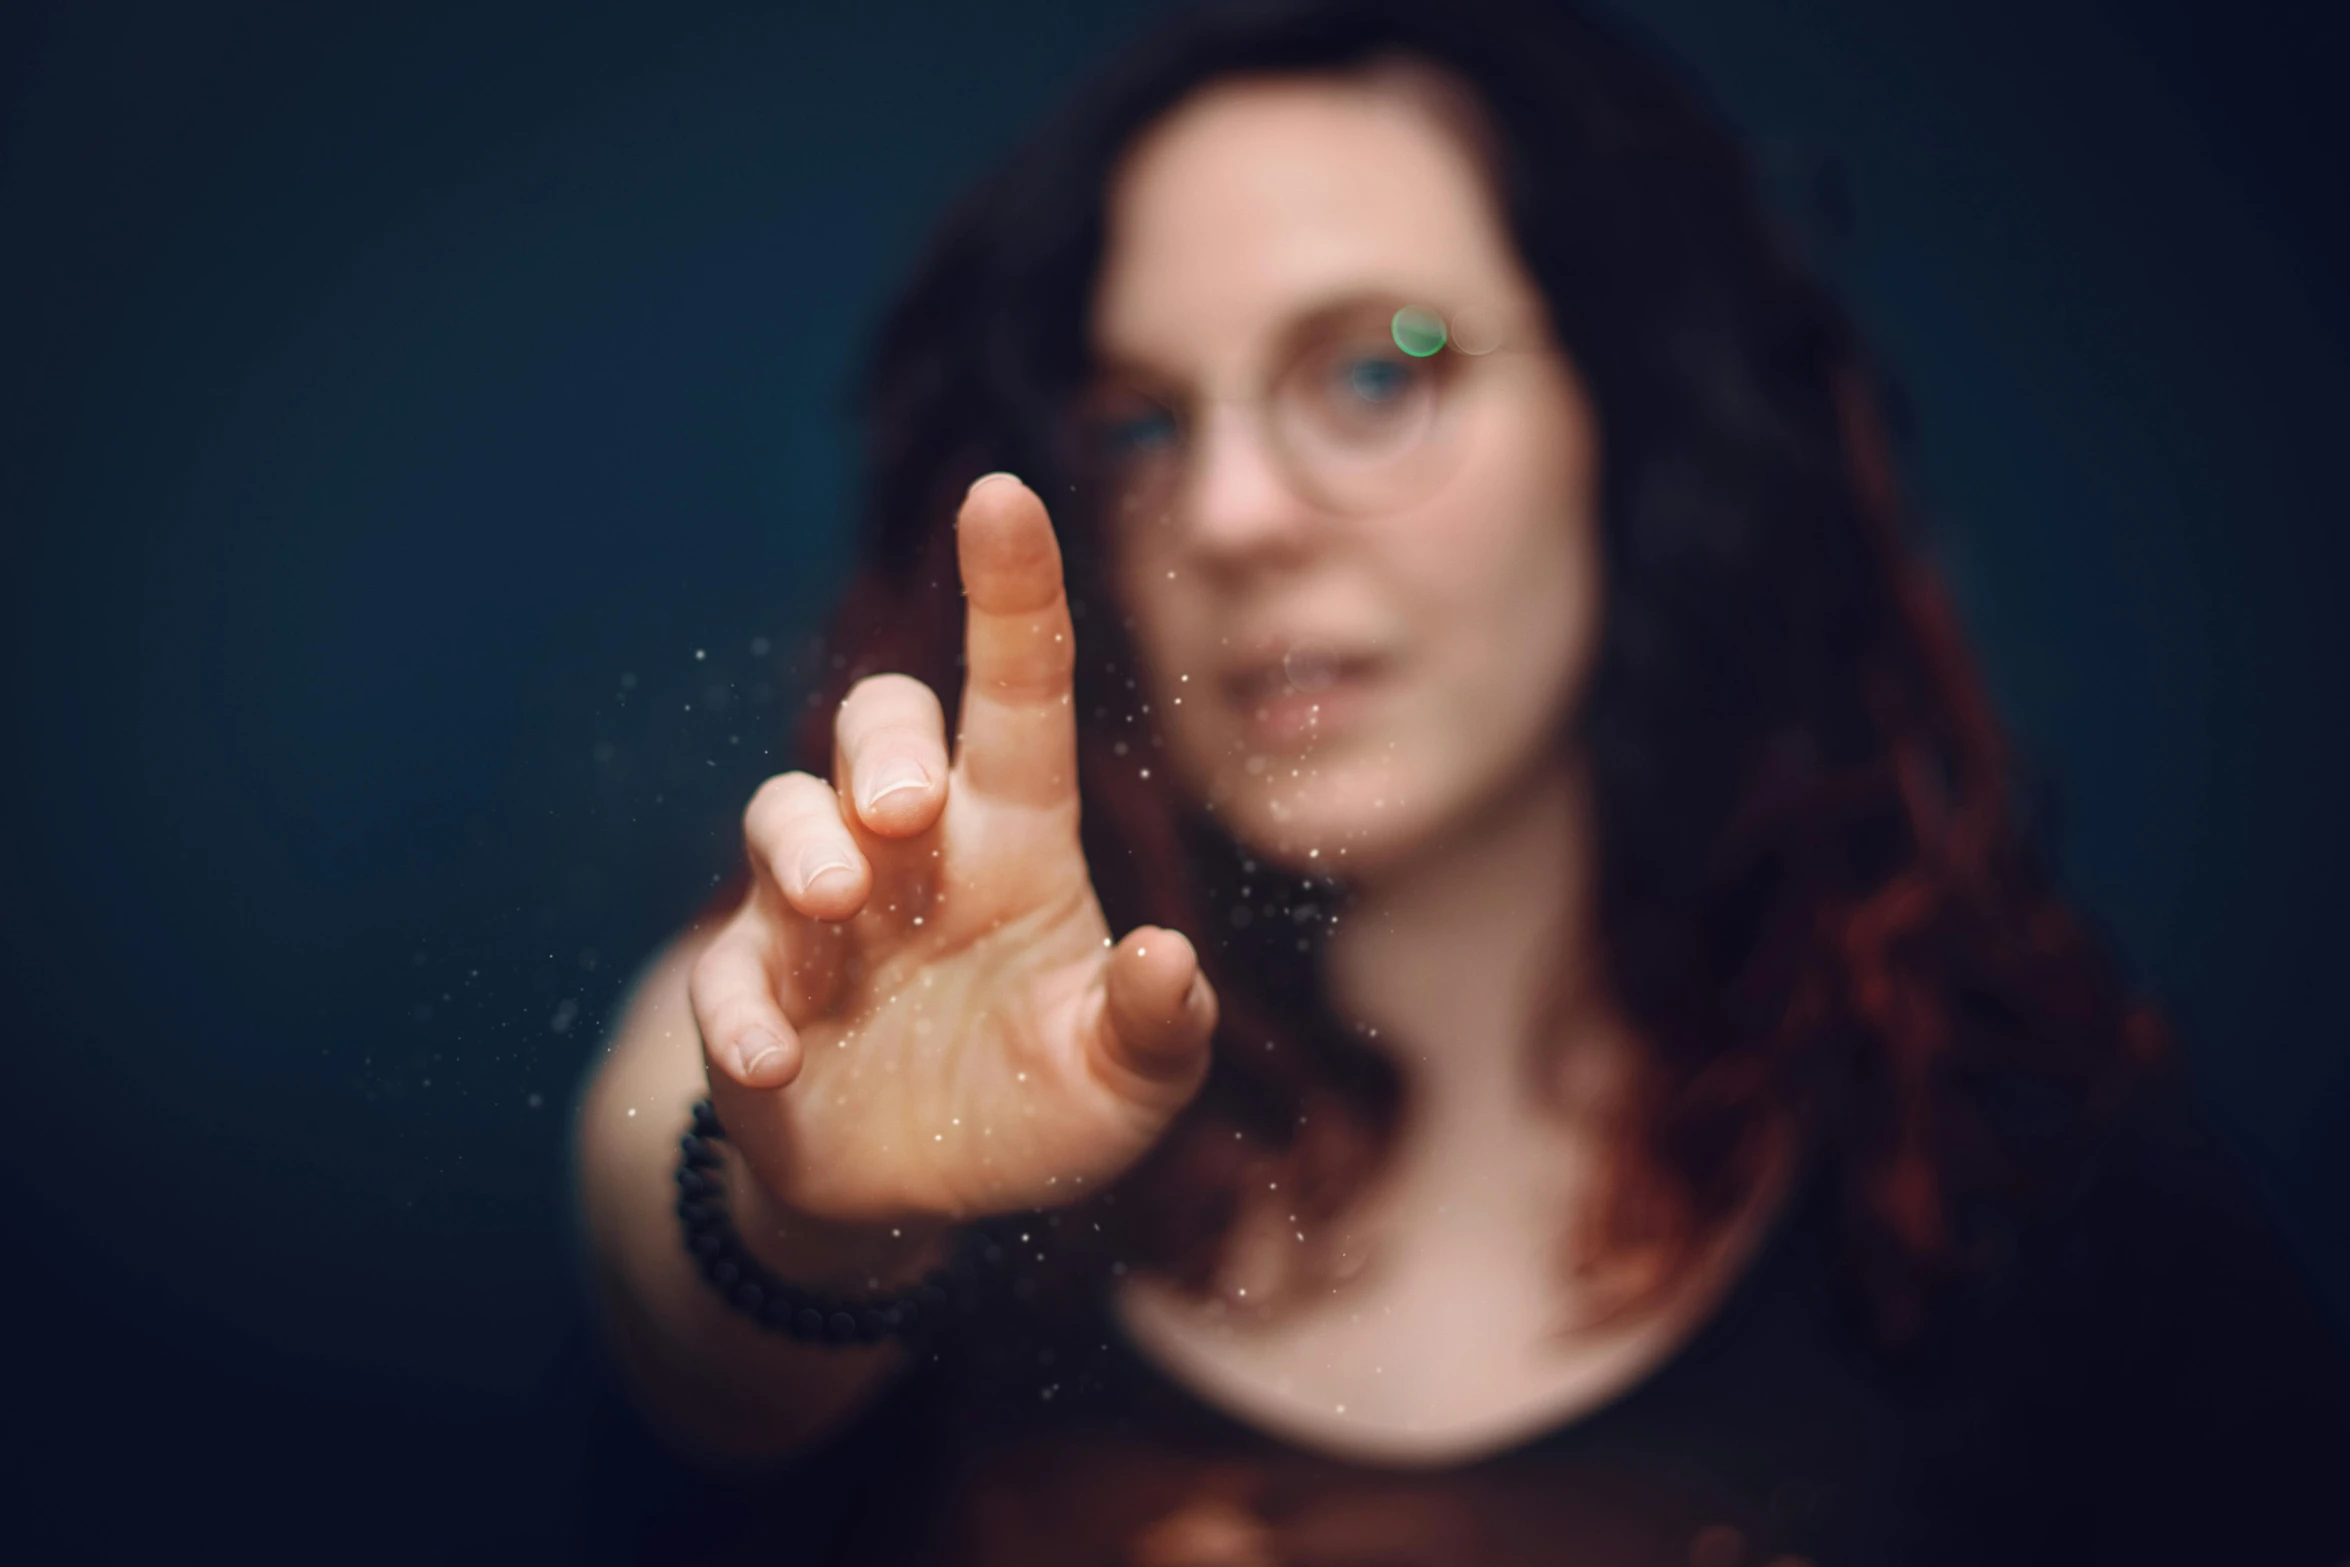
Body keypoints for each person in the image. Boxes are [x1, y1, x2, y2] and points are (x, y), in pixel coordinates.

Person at [571, 1, 2350, 1560]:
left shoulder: (2008, 1189)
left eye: (1378, 367)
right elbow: (699, 1232)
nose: (1234, 515)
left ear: (1641, 432)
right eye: (1138, 424)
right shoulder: (884, 1014)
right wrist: (815, 1217)